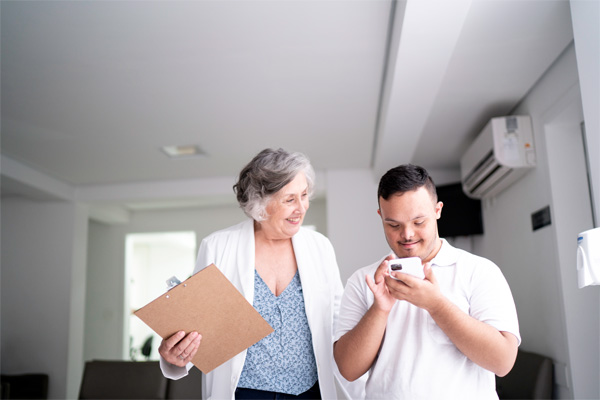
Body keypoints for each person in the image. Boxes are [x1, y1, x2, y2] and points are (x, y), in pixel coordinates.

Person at [159, 148, 354, 400]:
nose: (302, 207)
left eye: (304, 195)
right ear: (260, 203)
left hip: (310, 392)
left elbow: (339, 322)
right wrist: (176, 357)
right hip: (242, 393)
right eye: (289, 199)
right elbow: (197, 329)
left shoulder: (320, 247)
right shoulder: (218, 246)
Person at [333, 164, 521, 399]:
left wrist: (436, 305)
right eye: (394, 225)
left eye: (418, 222)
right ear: (381, 216)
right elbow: (348, 370)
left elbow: (503, 362)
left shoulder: (479, 271)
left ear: (437, 210)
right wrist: (379, 309)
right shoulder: (365, 281)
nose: (407, 235)